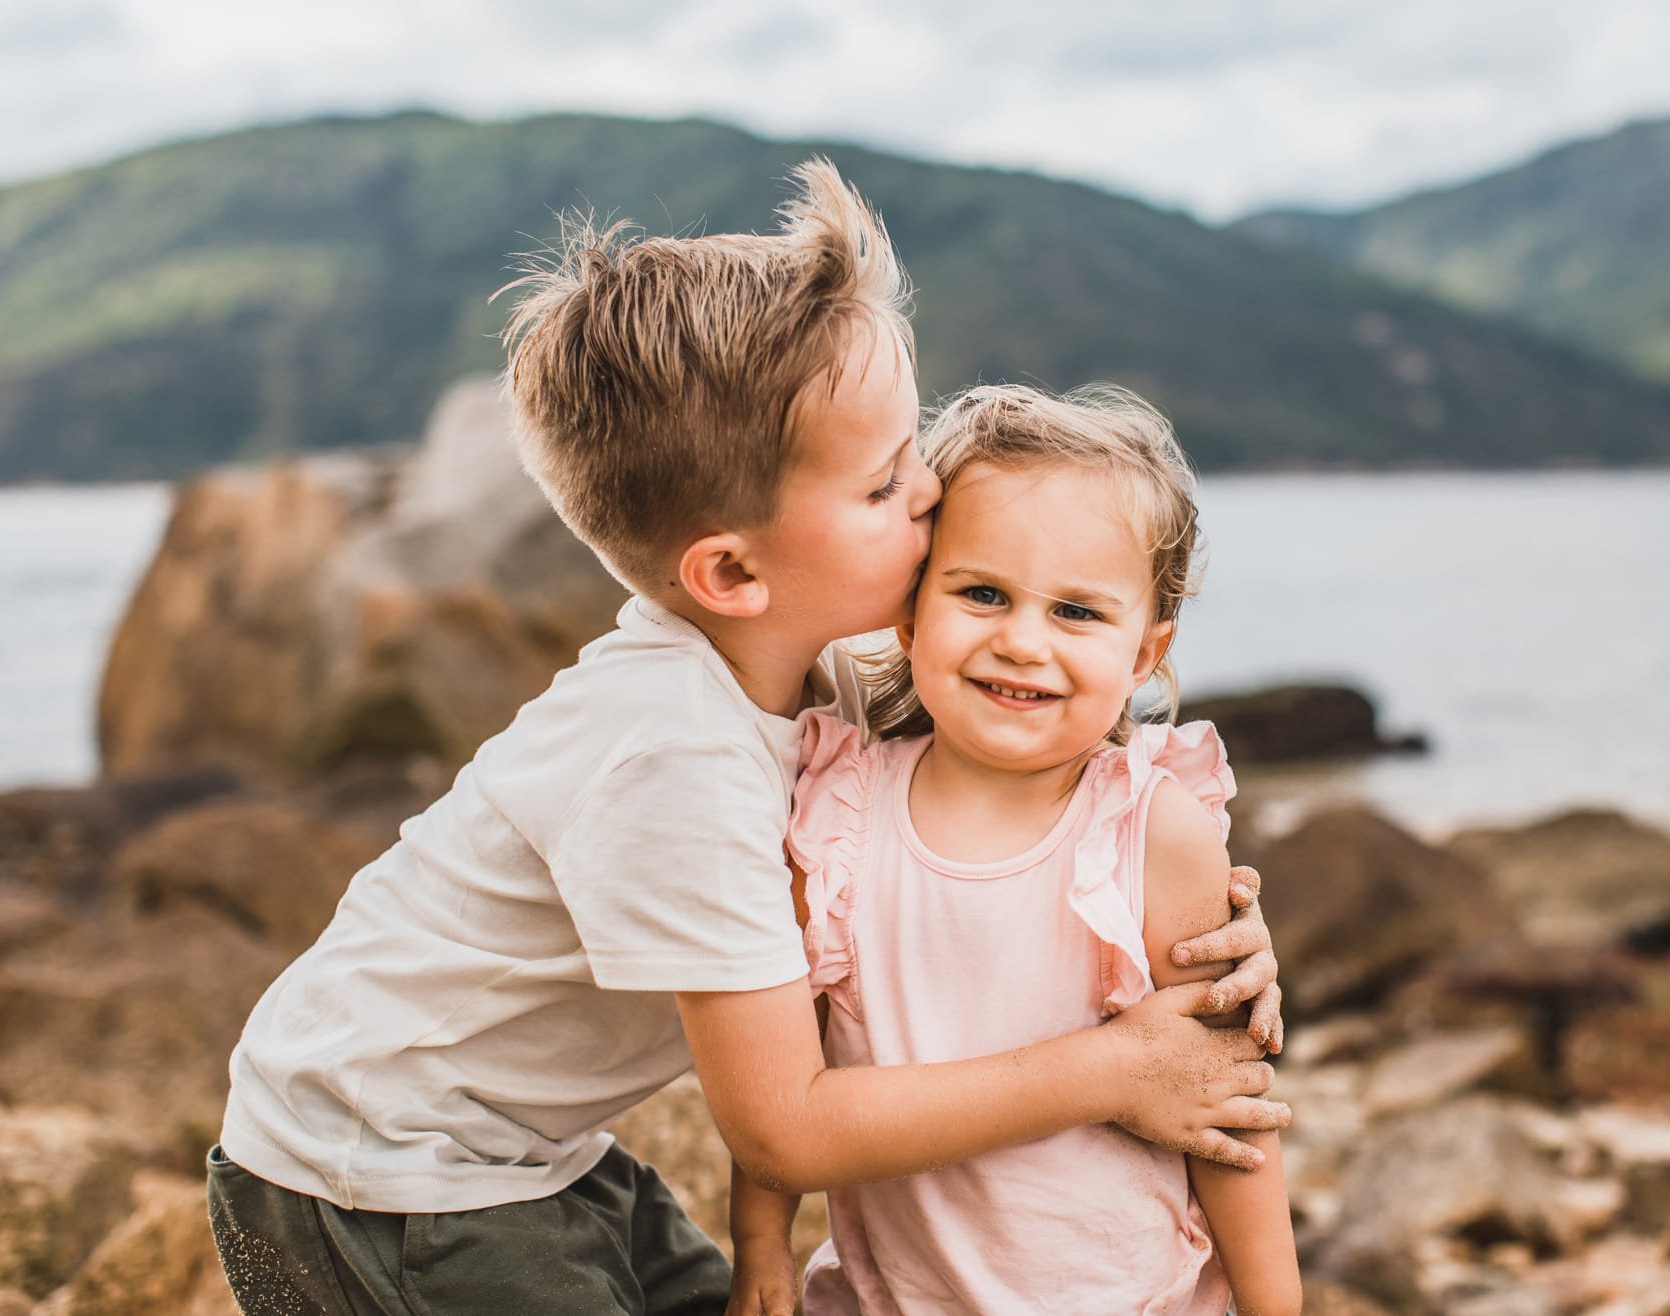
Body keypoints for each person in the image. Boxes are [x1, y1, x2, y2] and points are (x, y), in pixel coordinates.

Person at [204, 159, 1287, 1316]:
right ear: (730, 571)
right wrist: (1117, 1066)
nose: (928, 494)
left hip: (526, 1143)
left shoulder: (814, 682)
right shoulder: (678, 759)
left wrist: (1206, 920)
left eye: (910, 458)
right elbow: (791, 1123)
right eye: (882, 486)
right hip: (382, 1173)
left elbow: (1038, 775)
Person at [728, 383, 1301, 1316]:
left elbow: (1226, 1101)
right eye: (983, 593)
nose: (1022, 641)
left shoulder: (1152, 830)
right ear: (912, 616)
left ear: (1146, 651)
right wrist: (761, 1246)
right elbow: (791, 1069)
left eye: (1076, 612)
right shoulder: (839, 816)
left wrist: (1279, 1306)